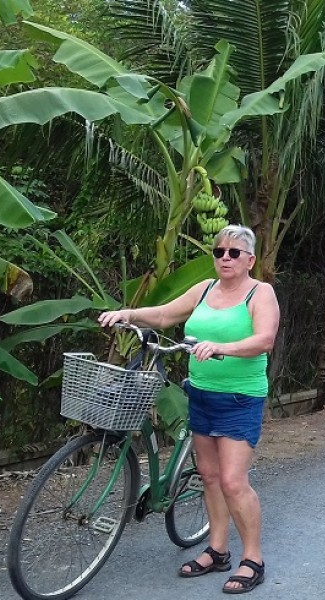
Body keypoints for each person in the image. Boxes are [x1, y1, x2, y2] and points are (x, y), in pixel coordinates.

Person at [98, 224, 278, 595]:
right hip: (201, 394)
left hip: (240, 398)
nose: (224, 258)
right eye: (219, 252)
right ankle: (218, 550)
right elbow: (165, 316)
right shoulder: (206, 289)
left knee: (232, 481)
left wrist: (221, 347)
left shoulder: (261, 293)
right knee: (209, 476)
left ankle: (253, 559)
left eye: (234, 253)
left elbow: (265, 340)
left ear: (250, 260)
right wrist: (127, 313)